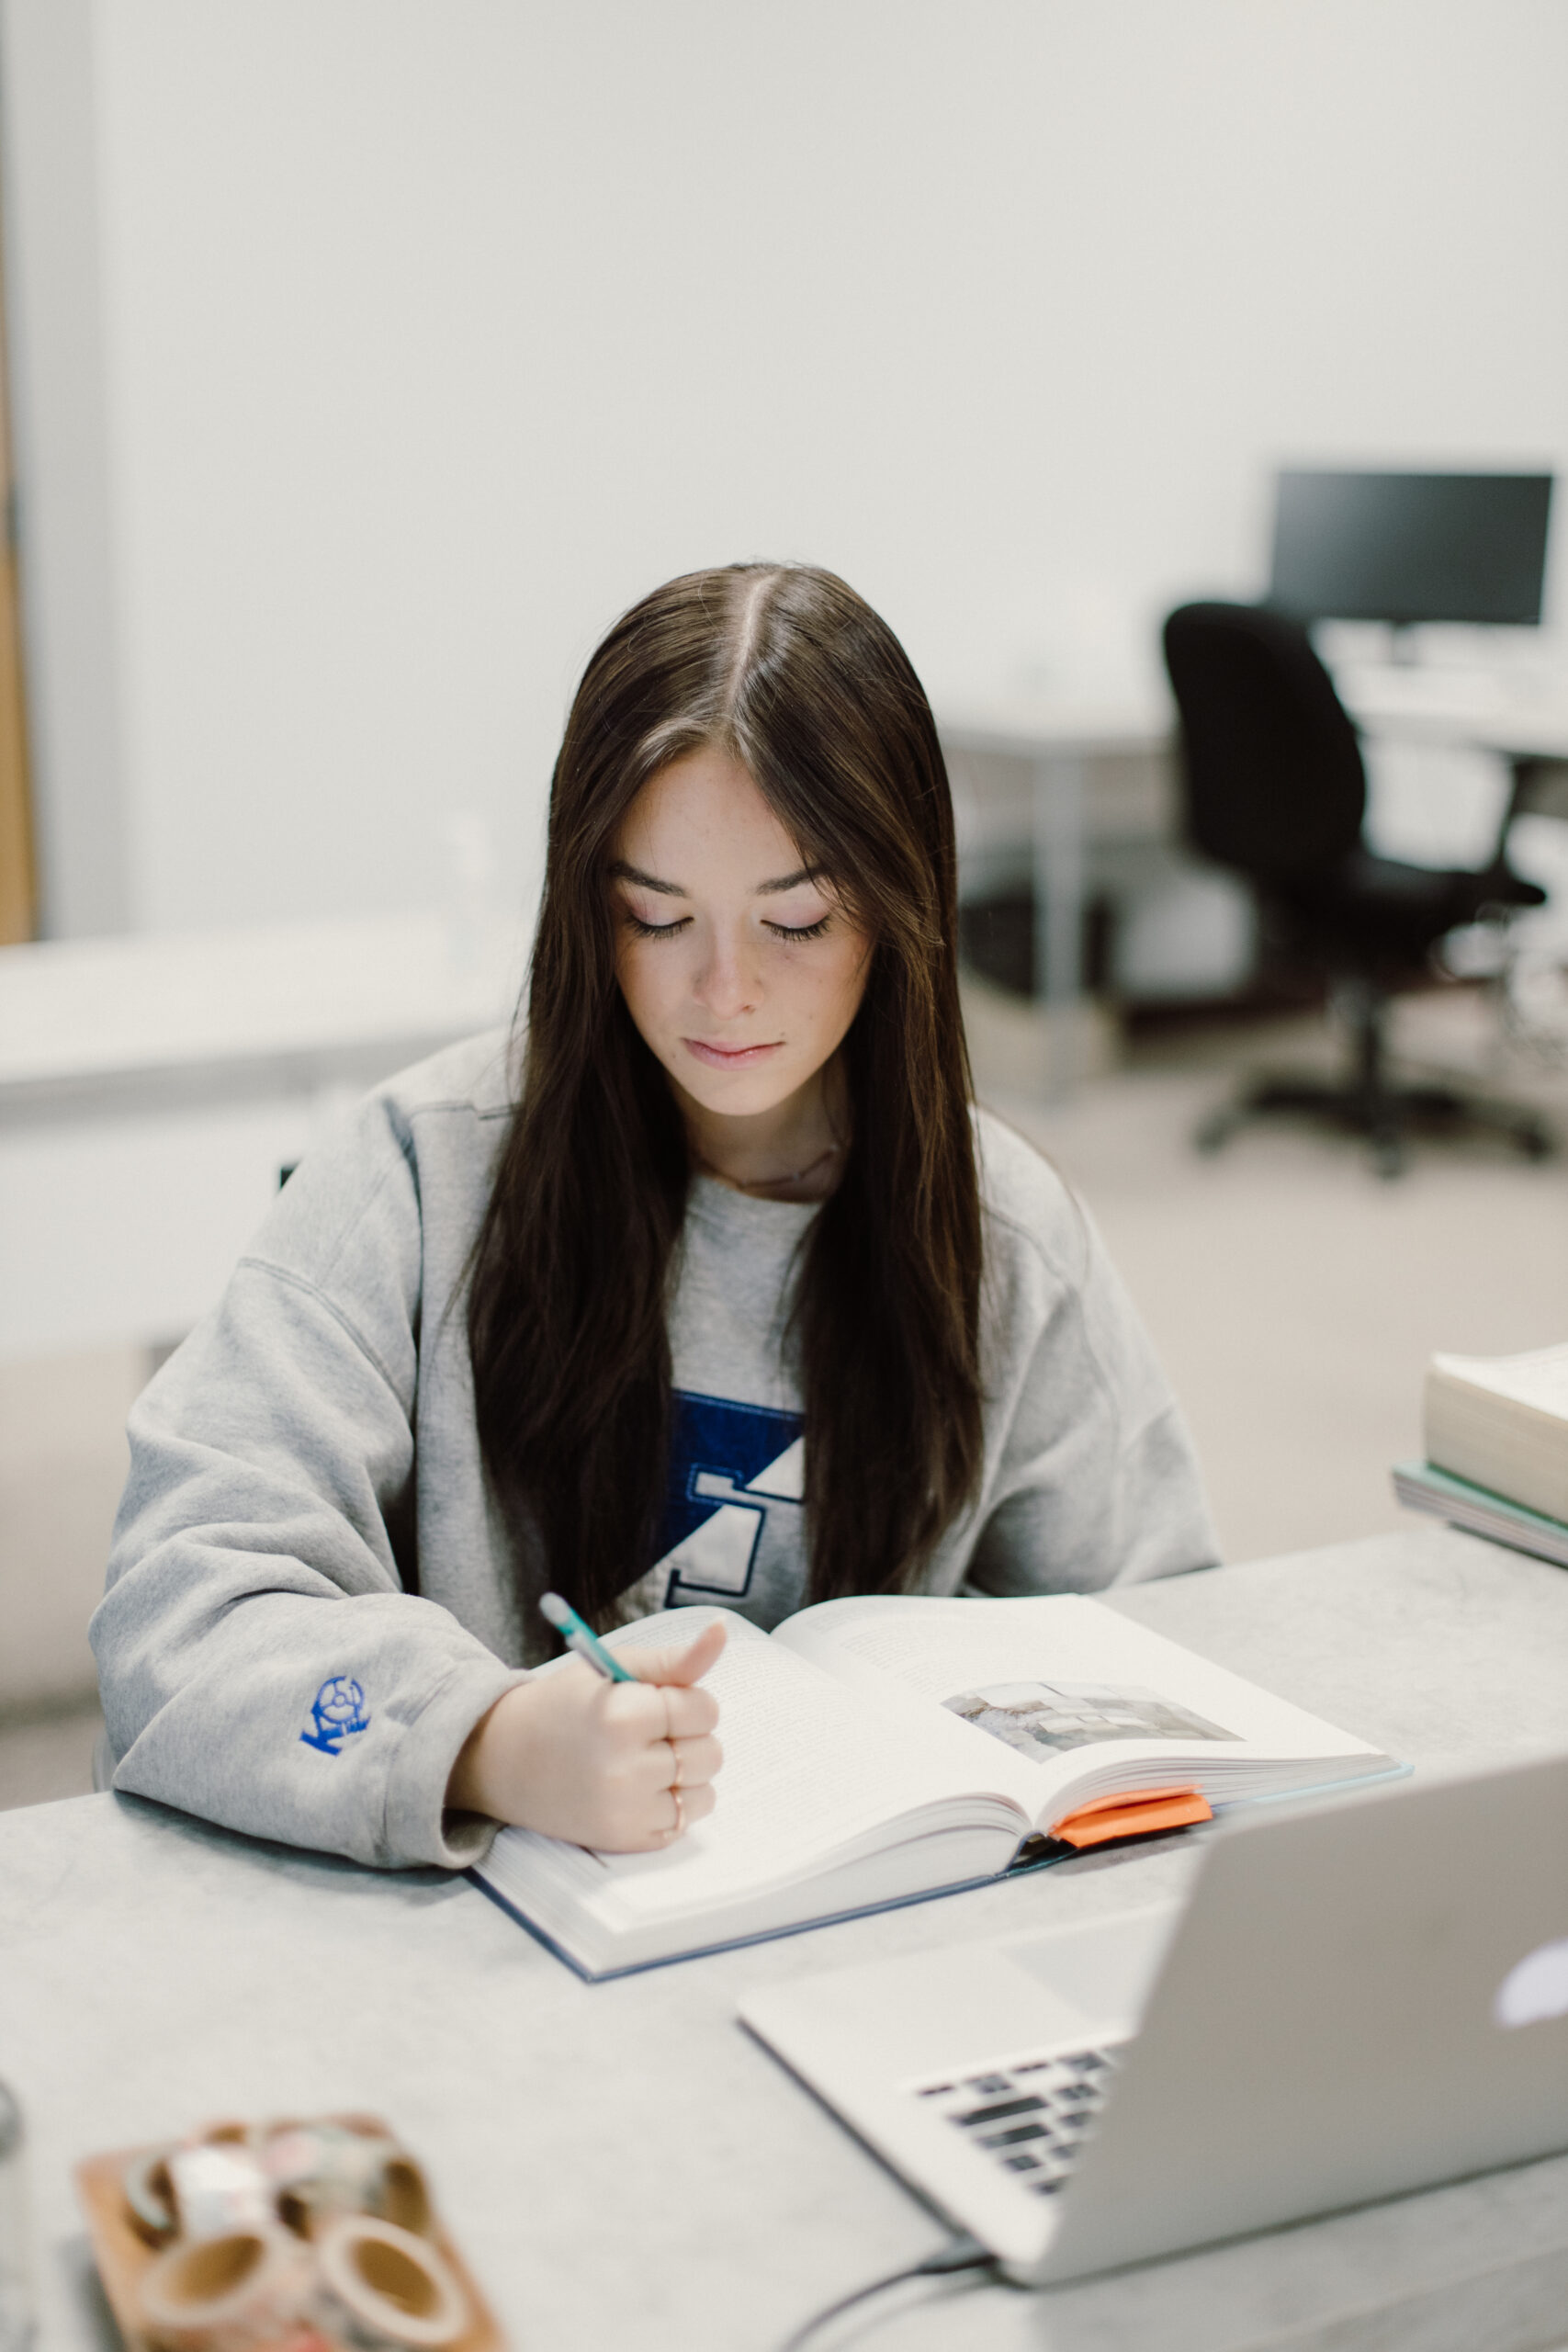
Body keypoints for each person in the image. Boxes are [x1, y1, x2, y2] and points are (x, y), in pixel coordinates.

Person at [96, 563, 1216, 1873]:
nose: (724, 989)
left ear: (900, 911)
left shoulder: (1002, 1232)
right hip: (479, 1953)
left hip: (861, 1942)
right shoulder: (418, 1175)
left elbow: (1165, 1639)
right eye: (656, 916)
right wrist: (487, 1742)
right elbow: (176, 1616)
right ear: (587, 910)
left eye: (796, 919)